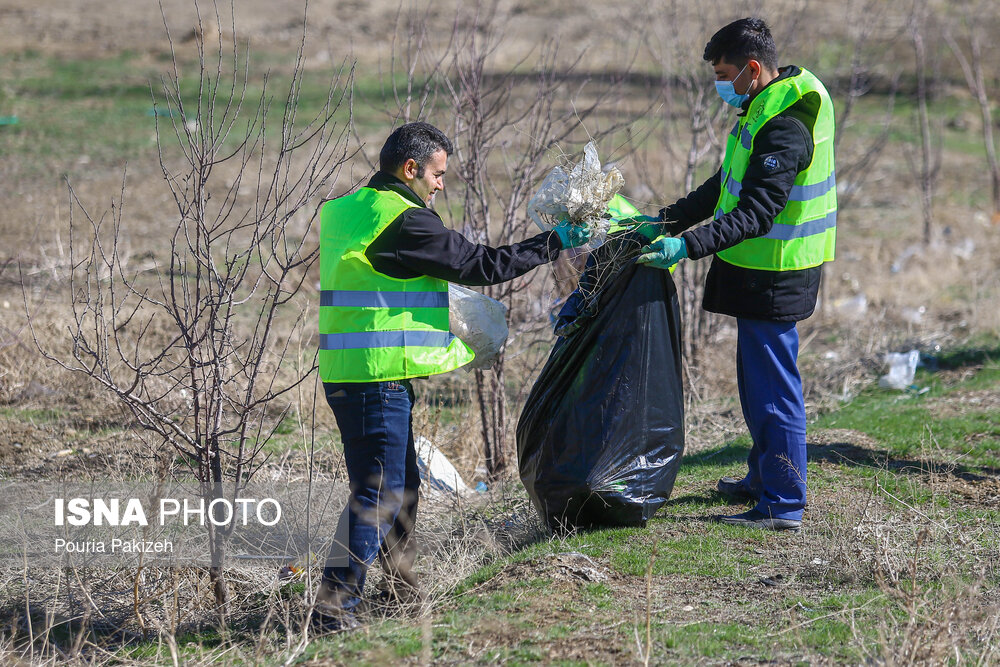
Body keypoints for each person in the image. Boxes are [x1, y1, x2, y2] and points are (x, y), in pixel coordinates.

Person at [313, 121, 591, 631]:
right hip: (377, 377)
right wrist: (554, 243)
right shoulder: (405, 222)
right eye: (438, 175)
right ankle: (334, 609)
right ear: (411, 168)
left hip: (348, 371)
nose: (442, 185)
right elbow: (481, 265)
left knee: (403, 487)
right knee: (379, 492)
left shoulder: (347, 209)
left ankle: (399, 590)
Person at [637, 17, 836, 531]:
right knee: (756, 387)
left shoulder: (786, 124)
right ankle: (761, 477)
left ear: (752, 69)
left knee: (773, 392)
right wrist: (662, 221)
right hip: (759, 274)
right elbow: (723, 186)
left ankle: (783, 504)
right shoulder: (762, 105)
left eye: (724, 74)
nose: (720, 85)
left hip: (778, 274)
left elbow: (755, 213)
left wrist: (686, 246)